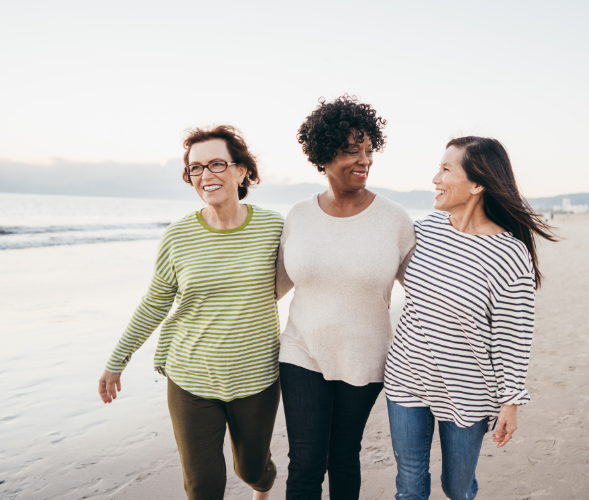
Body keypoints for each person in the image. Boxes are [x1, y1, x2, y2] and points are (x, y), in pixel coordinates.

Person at [98, 126, 283, 500]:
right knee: (203, 486)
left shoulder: (275, 227)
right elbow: (154, 303)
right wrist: (117, 360)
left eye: (216, 163)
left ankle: (261, 487)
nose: (205, 175)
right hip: (190, 377)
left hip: (256, 375)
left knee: (252, 469)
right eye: (195, 168)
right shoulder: (178, 236)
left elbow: (309, 276)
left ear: (243, 171)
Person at [383, 136, 556, 500]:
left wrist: (511, 400)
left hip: (468, 390)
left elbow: (514, 334)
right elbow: (381, 271)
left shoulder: (510, 254)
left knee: (457, 487)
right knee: (410, 486)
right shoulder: (424, 231)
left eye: (446, 169)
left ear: (477, 184)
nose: (435, 178)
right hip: (407, 377)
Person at [276, 95, 416, 499]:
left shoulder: (394, 219)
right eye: (352, 151)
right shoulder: (299, 216)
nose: (364, 160)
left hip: (365, 354)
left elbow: (424, 292)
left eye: (369, 150)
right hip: (301, 350)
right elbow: (273, 286)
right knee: (304, 461)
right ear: (323, 155)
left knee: (342, 455)